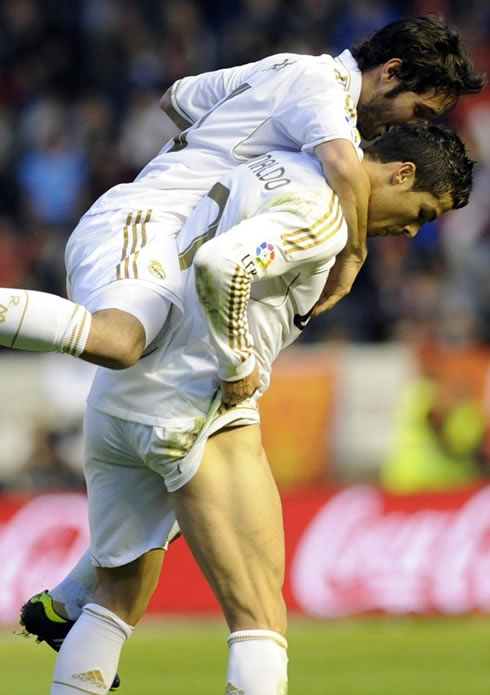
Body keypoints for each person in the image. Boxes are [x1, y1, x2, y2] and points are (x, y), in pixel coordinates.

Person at [21, 123, 474, 695]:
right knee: (260, 619)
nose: (410, 229)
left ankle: (68, 599)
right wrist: (237, 363)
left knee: (112, 600)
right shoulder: (323, 210)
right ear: (401, 173)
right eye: (422, 212)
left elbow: (189, 101)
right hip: (196, 405)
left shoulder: (278, 161)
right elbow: (225, 265)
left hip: (120, 401)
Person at [0, 16, 485, 369]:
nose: (410, 125)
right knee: (119, 340)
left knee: (132, 350)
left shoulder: (284, 68)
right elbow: (343, 166)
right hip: (144, 217)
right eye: (418, 112)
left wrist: (235, 154)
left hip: (163, 230)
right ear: (391, 72)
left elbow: (178, 98)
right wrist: (352, 260)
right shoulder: (320, 85)